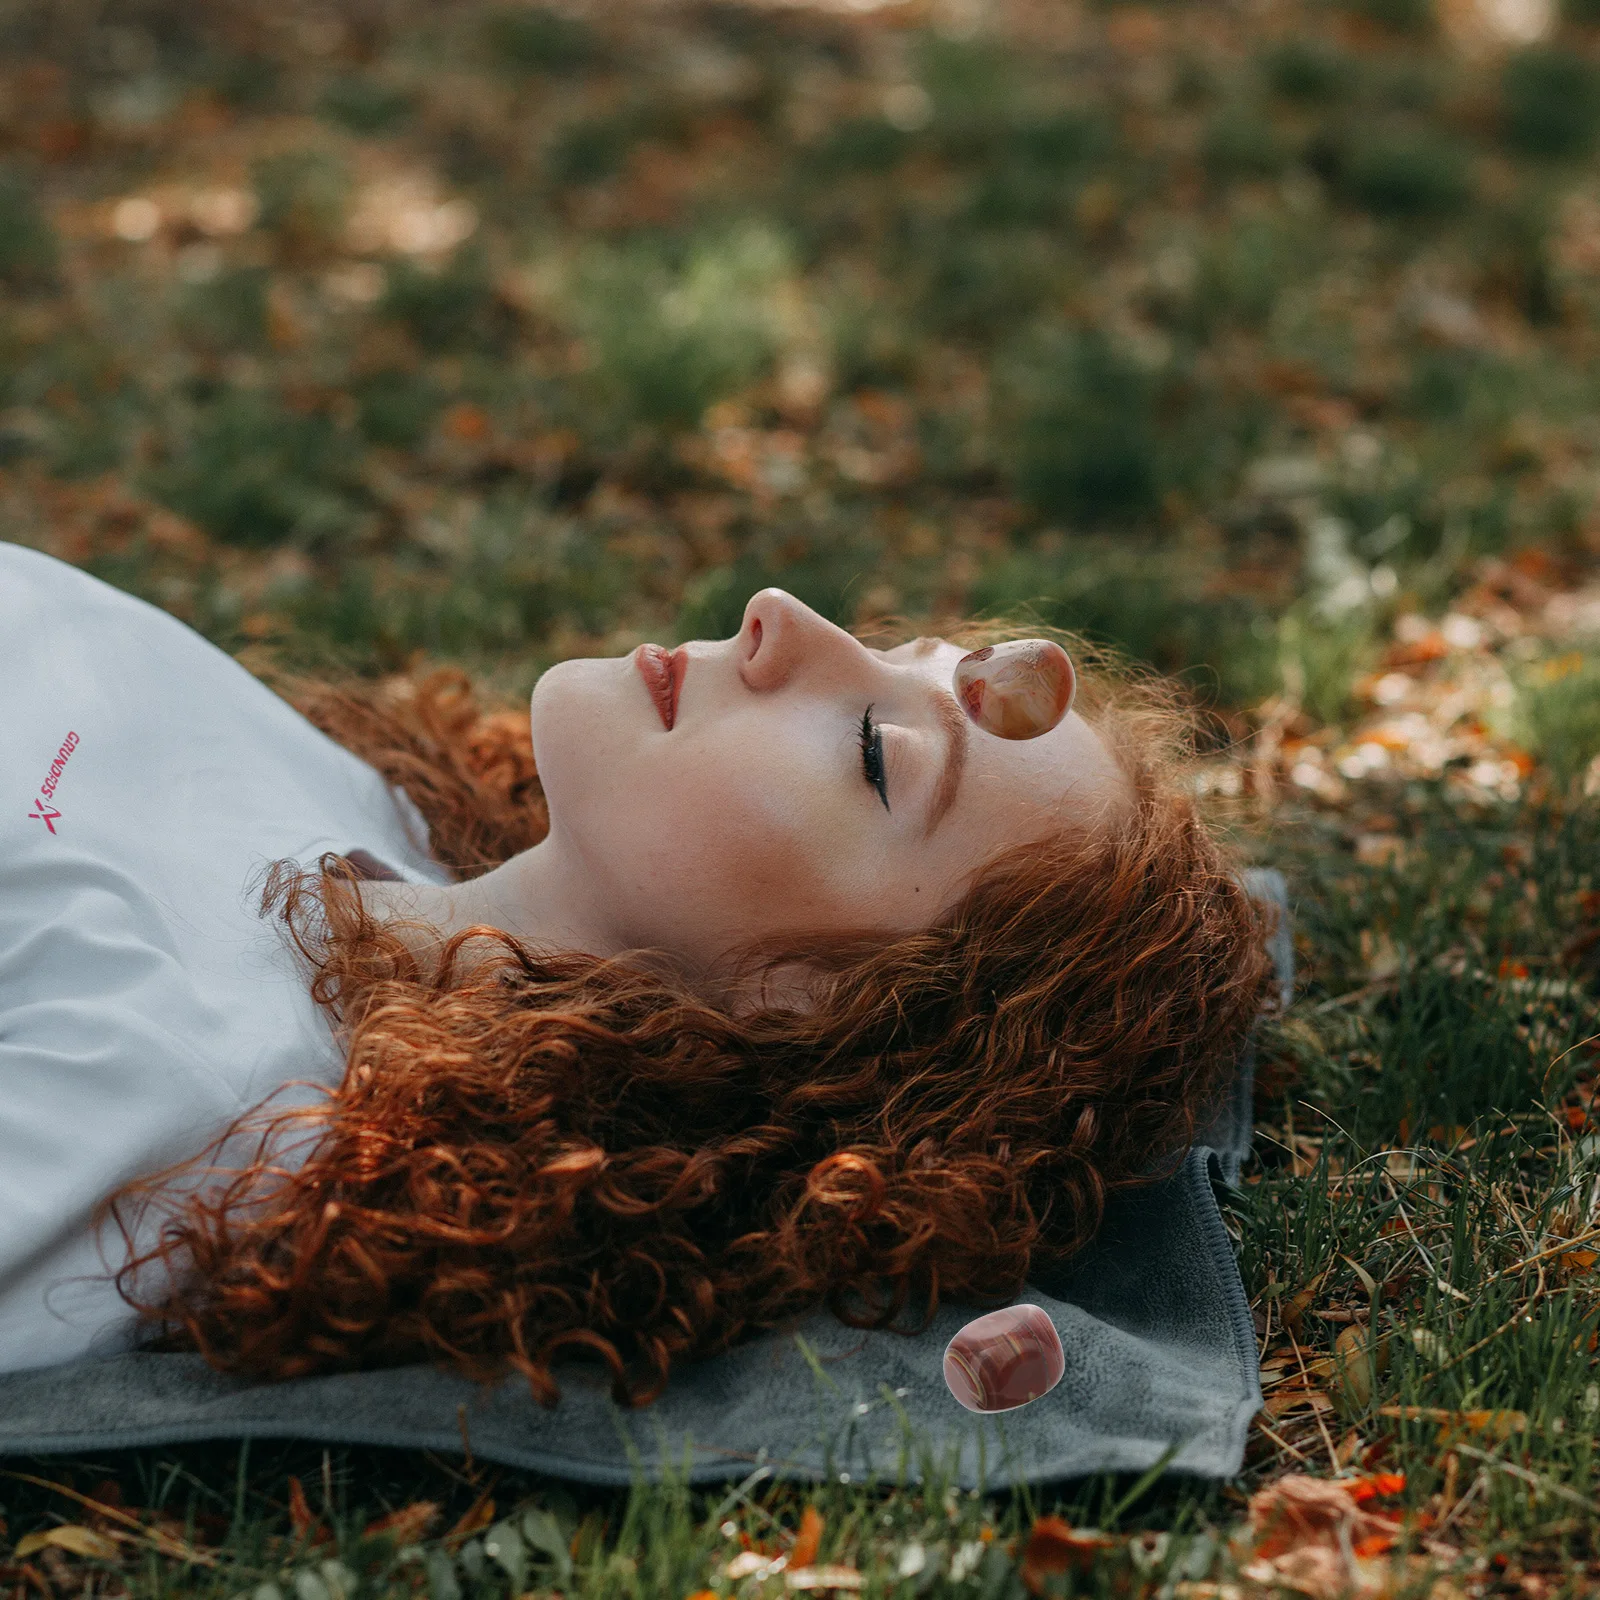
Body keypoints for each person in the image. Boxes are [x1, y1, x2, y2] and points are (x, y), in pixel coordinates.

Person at [0, 540, 1270, 1406]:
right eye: (897, 647)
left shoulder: (155, 1077)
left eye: (876, 752)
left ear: (819, 1016)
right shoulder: (362, 809)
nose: (785, 617)